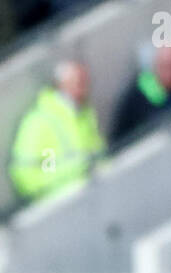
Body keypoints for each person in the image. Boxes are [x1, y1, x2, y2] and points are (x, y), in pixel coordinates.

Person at [8, 60, 105, 201]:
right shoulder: (40, 121)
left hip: (94, 193)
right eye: (79, 82)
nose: (84, 88)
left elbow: (98, 153)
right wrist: (65, 182)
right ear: (62, 84)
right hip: (61, 202)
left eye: (85, 82)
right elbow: (26, 173)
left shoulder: (84, 114)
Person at [111, 46, 171, 143]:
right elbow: (118, 138)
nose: (170, 73)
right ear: (155, 66)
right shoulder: (136, 97)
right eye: (164, 66)